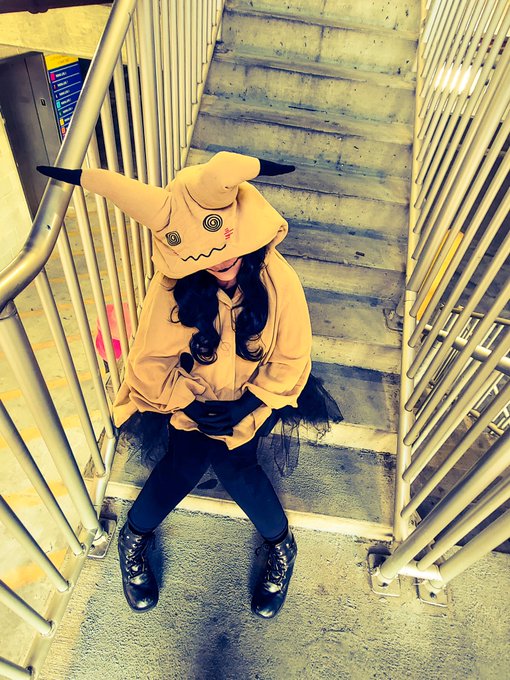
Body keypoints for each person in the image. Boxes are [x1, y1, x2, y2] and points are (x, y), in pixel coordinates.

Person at [37, 152, 341, 619]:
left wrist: (248, 405)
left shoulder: (278, 279)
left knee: (235, 463)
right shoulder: (171, 288)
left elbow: (292, 355)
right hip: (190, 401)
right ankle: (134, 537)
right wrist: (187, 404)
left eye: (226, 246)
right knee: (188, 457)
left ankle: (281, 544)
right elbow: (149, 362)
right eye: (207, 253)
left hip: (254, 400)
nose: (221, 260)